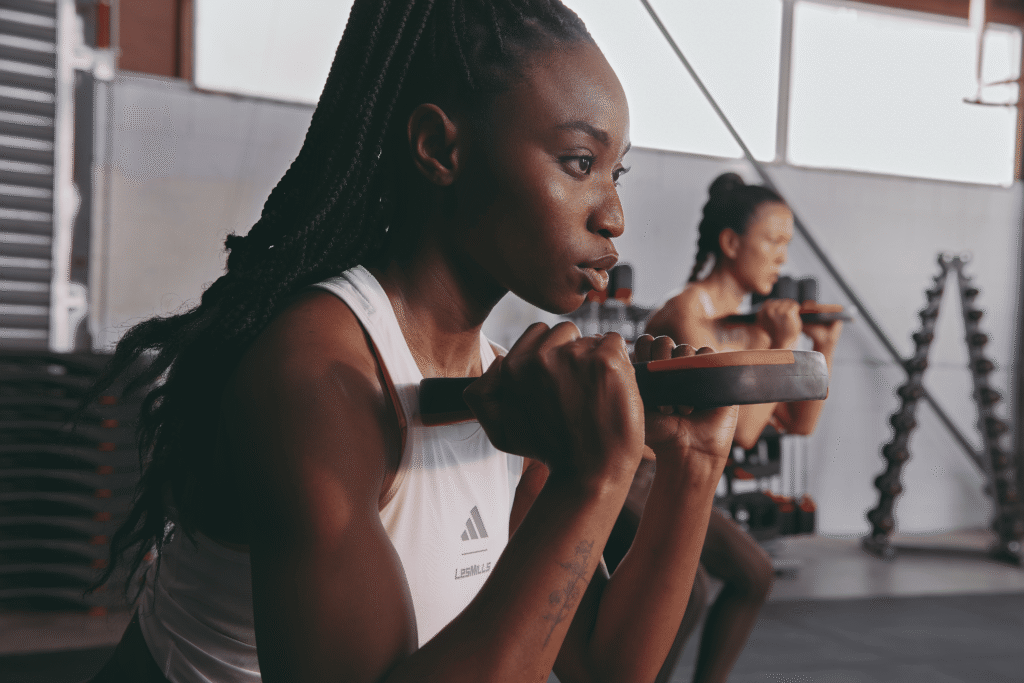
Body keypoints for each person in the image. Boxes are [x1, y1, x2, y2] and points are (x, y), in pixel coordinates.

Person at [86, 3, 740, 682]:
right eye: (580, 163)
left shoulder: (501, 380)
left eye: (616, 172)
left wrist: (694, 468)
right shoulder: (320, 374)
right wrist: (592, 479)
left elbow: (603, 665)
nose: (613, 215)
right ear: (439, 148)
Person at [626, 172, 844, 683]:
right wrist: (775, 342)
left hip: (675, 482)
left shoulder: (741, 322)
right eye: (773, 241)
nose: (781, 258)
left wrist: (822, 346)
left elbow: (797, 422)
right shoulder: (687, 317)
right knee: (692, 591)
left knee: (754, 575)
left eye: (786, 245)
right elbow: (742, 434)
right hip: (633, 479)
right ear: (731, 243)